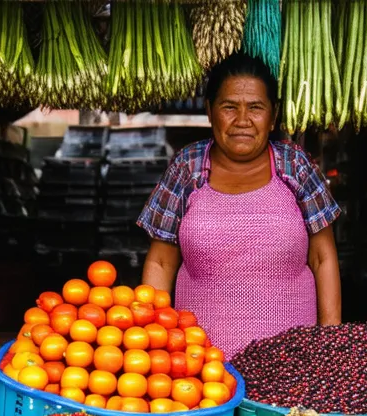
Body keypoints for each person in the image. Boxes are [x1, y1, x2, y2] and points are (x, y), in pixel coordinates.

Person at [137, 53, 342, 358]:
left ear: (272, 117)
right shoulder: (187, 166)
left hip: (293, 362)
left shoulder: (294, 164)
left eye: (256, 108)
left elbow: (323, 258)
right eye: (229, 107)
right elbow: (161, 263)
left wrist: (330, 345)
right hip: (199, 369)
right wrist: (153, 345)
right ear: (210, 111)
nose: (242, 120)